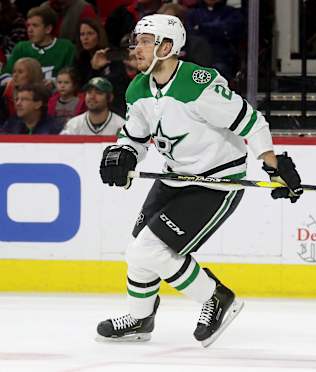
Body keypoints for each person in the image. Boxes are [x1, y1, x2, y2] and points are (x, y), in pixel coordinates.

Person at [96, 14, 303, 346]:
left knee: (148, 249)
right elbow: (134, 137)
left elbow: (250, 122)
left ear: (167, 47)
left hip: (216, 182)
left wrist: (273, 165)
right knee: (140, 250)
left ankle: (216, 297)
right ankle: (140, 317)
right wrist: (123, 154)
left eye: (145, 42)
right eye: (136, 41)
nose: (136, 48)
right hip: (174, 177)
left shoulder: (198, 83)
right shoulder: (138, 88)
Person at [1, 6, 75, 83]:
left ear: (48, 29)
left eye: (35, 25)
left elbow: (72, 77)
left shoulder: (66, 47)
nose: (30, 30)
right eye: (28, 25)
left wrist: (54, 83)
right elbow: (6, 76)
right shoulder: (21, 48)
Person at [74, 18, 131, 116]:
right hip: (88, 106)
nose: (85, 38)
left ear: (99, 35)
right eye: (82, 34)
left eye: (90, 33)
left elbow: (115, 86)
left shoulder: (111, 54)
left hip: (115, 107)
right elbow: (81, 87)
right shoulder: (81, 58)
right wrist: (94, 69)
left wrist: (98, 70)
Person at [186, 0, 244, 81]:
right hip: (196, 59)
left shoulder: (232, 13)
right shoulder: (192, 13)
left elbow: (228, 30)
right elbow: (191, 34)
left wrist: (201, 27)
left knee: (219, 72)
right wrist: (215, 28)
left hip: (222, 60)